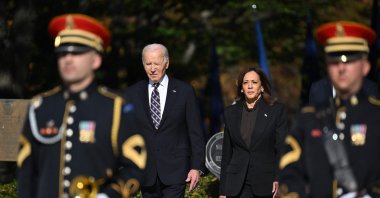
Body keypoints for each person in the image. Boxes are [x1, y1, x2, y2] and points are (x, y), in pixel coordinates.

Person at [17, 13, 146, 198]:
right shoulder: (39, 107)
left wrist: (109, 195)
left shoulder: (116, 108)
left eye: (77, 53)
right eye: (63, 54)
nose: (68, 59)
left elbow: (136, 167)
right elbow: (26, 173)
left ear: (96, 60)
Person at [279, 21, 380, 197]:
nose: (341, 67)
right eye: (334, 60)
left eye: (349, 59)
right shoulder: (309, 119)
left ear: (365, 66)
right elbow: (290, 170)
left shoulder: (377, 116)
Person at [124, 43, 207, 198]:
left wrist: (196, 167)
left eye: (156, 63)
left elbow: (195, 132)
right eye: (148, 64)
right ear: (143, 65)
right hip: (146, 173)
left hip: (176, 170)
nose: (152, 68)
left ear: (167, 63)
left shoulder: (184, 91)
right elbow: (127, 133)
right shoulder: (132, 93)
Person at [219, 67, 287, 198]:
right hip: (237, 184)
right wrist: (223, 190)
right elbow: (226, 154)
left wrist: (278, 178)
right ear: (241, 88)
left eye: (254, 82)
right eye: (245, 83)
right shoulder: (230, 113)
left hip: (265, 183)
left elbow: (281, 148)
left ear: (261, 87)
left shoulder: (276, 111)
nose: (250, 86)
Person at [309, 77, 379, 106]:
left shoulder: (369, 89)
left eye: (348, 62)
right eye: (335, 62)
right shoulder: (318, 89)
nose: (341, 67)